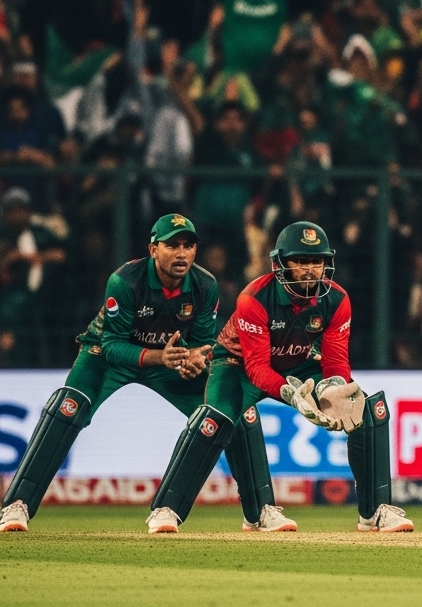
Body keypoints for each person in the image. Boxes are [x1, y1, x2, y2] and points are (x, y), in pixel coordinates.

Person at [0, 215, 292, 534]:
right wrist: (160, 356)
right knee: (67, 406)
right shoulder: (125, 280)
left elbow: (205, 342)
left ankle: (260, 511)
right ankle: (18, 505)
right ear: (153, 249)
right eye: (172, 246)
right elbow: (112, 345)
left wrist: (196, 359)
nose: (181, 254)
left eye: (188, 246)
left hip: (170, 359)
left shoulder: (205, 284)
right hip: (109, 357)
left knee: (239, 407)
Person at [145, 222, 412, 534]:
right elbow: (258, 369)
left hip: (298, 361)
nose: (311, 270)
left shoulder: (337, 300)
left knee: (366, 409)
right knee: (217, 420)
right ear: (281, 264)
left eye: (317, 261)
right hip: (238, 365)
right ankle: (167, 510)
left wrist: (335, 390)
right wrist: (290, 395)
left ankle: (375, 511)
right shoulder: (254, 299)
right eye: (301, 261)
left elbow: (336, 361)